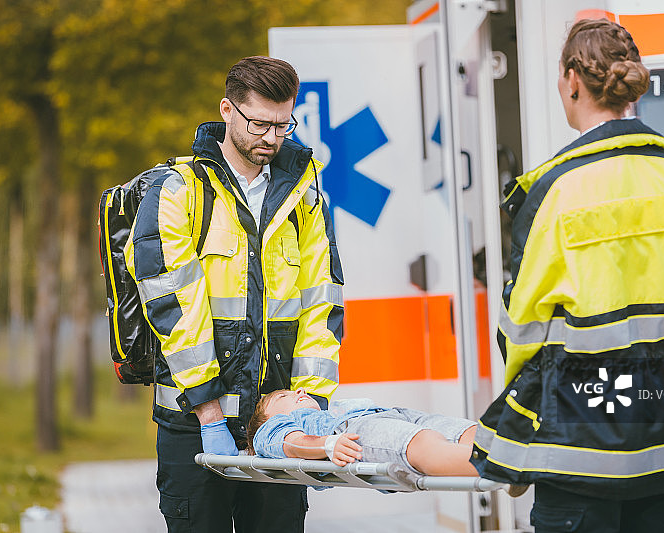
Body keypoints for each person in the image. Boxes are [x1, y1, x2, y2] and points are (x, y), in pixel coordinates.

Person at [471, 19, 664, 533]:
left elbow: (522, 328)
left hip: (578, 440)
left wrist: (519, 414)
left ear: (573, 80)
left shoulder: (557, 188)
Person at [124, 56, 344, 533]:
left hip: (275, 426)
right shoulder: (178, 190)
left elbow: (322, 306)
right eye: (260, 123)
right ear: (228, 110)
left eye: (283, 125)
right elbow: (172, 308)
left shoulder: (304, 195)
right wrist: (208, 414)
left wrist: (308, 410)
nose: (271, 137)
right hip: (194, 425)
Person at [247, 388, 478, 477]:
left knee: (465, 430)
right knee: (422, 444)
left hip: (393, 414)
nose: (300, 390)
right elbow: (291, 444)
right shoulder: (271, 429)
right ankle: (501, 467)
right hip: (354, 434)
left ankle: (507, 452)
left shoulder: (330, 411)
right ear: (269, 418)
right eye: (283, 396)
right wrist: (328, 444)